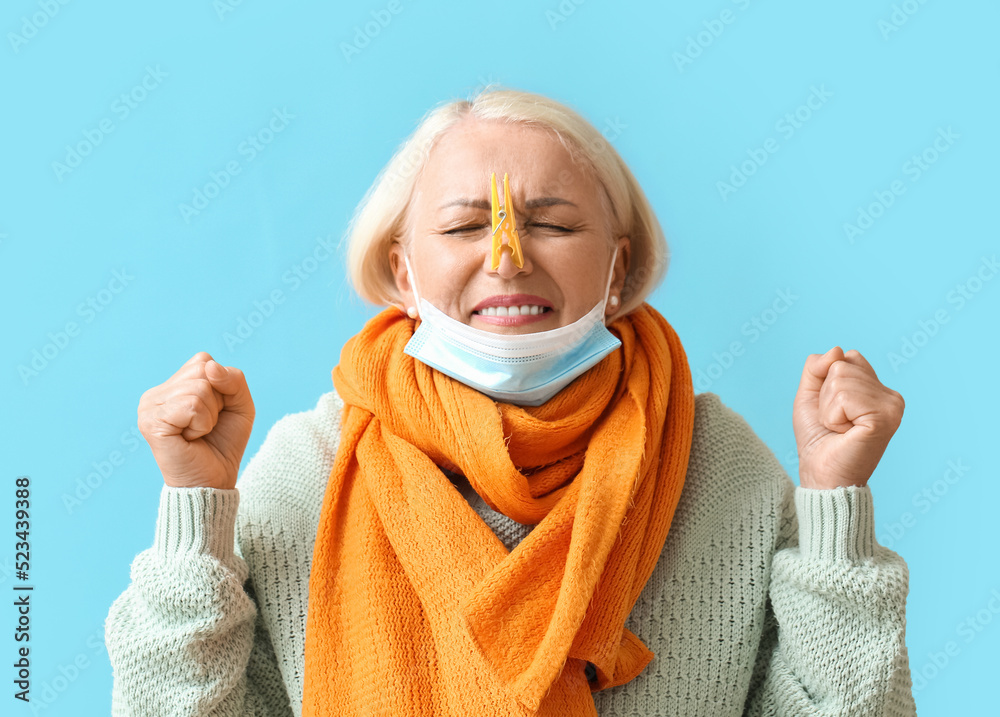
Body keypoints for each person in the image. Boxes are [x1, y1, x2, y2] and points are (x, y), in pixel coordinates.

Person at [105, 86, 917, 716]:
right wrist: (195, 506)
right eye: (464, 228)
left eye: (553, 225)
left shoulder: (719, 463)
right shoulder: (309, 467)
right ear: (402, 273)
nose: (506, 257)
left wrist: (833, 507)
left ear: (618, 267)